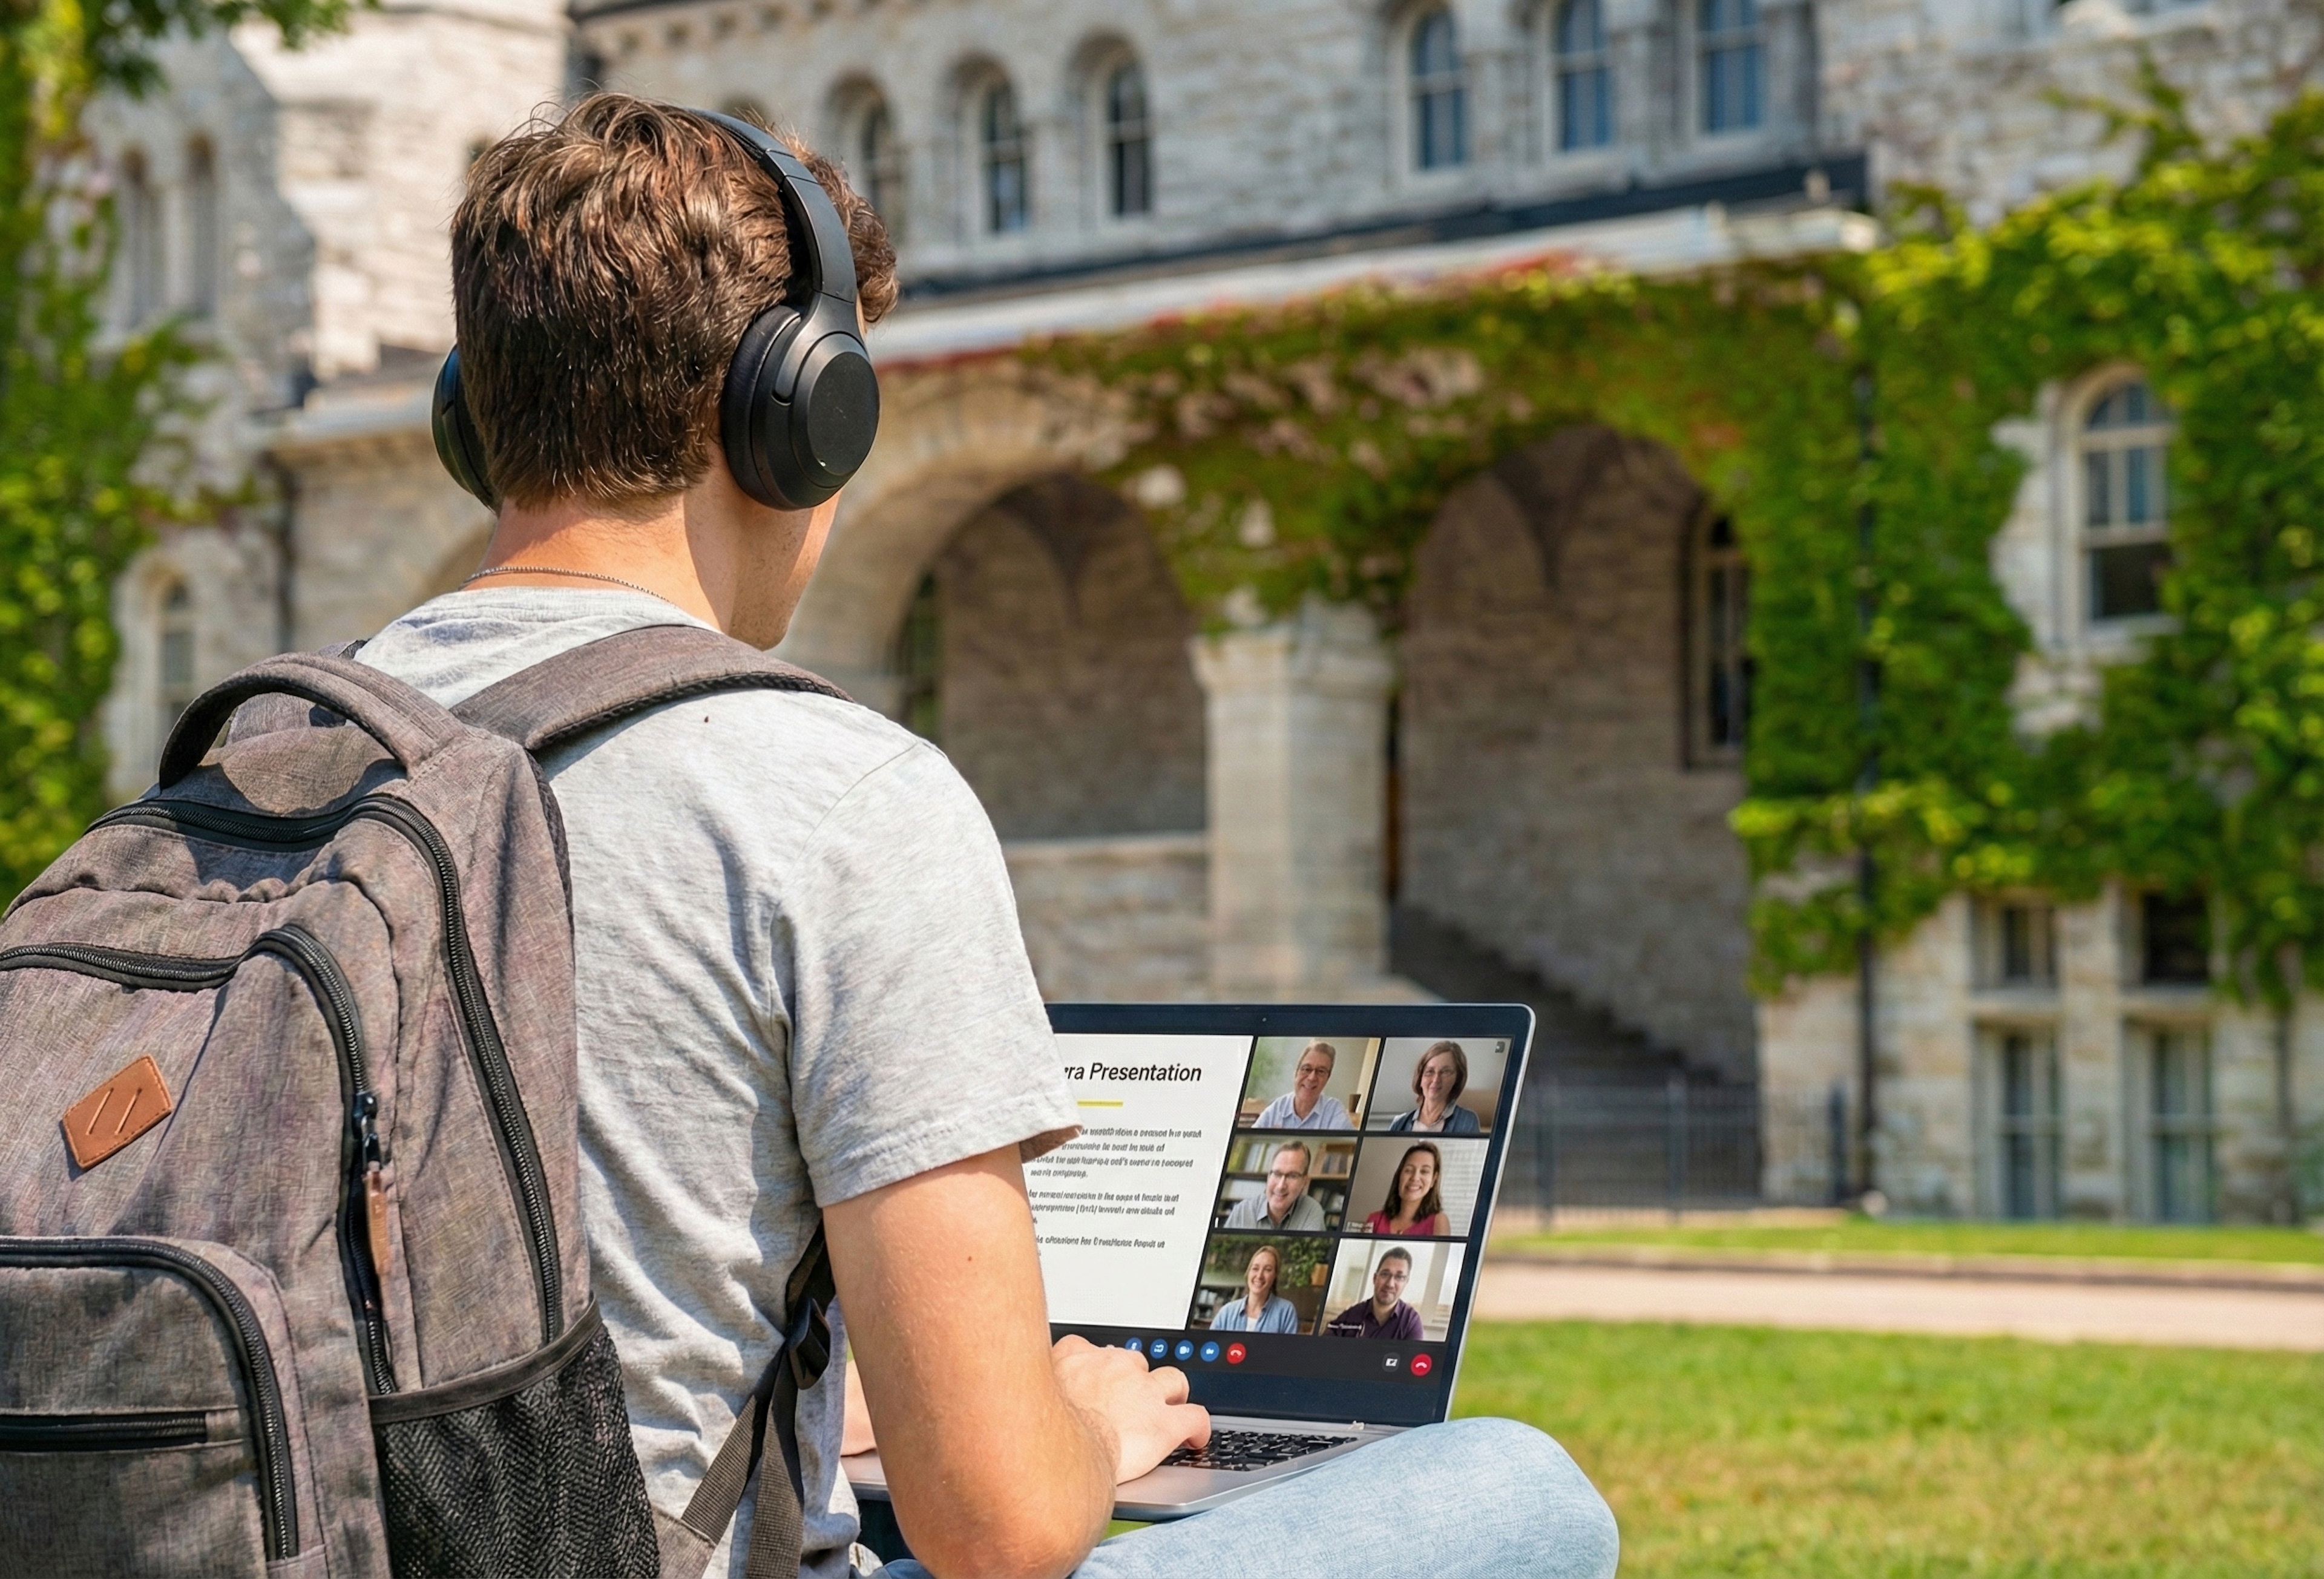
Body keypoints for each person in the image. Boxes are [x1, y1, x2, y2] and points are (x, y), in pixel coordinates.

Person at [373, 93, 1617, 1579]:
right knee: (1515, 1485)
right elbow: (997, 1525)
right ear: (795, 414)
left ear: (472, 412)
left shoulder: (262, 757)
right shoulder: (831, 794)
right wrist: (1083, 1419)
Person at [1221, 1141, 1328, 1232]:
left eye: (1292, 1176)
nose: (1281, 1186)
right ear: (1268, 1176)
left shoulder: (1312, 1211)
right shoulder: (1242, 1211)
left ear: (1304, 1182)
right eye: (1277, 1174)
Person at [1324, 1247, 1426, 1341]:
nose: (1390, 1284)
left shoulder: (1411, 1322)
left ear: (1406, 1282)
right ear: (1375, 1278)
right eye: (1385, 1274)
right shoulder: (1350, 1317)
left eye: (1399, 1277)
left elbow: (1411, 1360)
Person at [1250, 1040, 1354, 1130]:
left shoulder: (1333, 1110)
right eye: (1307, 1069)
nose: (1312, 1077)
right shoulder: (1275, 1109)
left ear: (1328, 1078)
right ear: (1296, 1072)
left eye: (1321, 1071)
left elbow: (1352, 1146)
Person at [1388, 1040, 1482, 1134]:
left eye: (1445, 1072)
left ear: (1457, 1079)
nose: (1436, 1080)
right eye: (1430, 1071)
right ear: (1420, 1078)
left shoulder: (1467, 1121)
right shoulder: (1399, 1124)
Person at [1206, 1244, 1302, 1334]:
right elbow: (1212, 1347)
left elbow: (1290, 1351)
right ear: (1248, 1272)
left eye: (1268, 1270)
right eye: (1255, 1268)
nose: (1259, 1276)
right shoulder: (1227, 1312)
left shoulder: (1286, 1312)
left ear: (1275, 1275)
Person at [1362, 1143, 1451, 1236]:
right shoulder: (1374, 1219)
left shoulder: (1439, 1222)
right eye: (1409, 1170)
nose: (1415, 1178)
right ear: (1400, 1175)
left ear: (1434, 1180)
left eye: (1424, 1172)